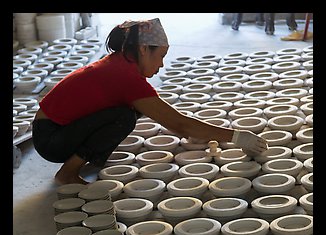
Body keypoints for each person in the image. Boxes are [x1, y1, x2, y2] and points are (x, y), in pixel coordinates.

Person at [32, 18, 267, 185]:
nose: (162, 65)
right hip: (51, 139)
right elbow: (180, 122)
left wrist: (195, 134)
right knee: (123, 118)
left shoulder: (119, 63)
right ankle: (68, 173)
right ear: (144, 49)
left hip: (56, 130)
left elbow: (169, 118)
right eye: (161, 56)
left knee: (133, 109)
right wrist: (237, 137)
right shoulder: (124, 76)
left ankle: (83, 156)